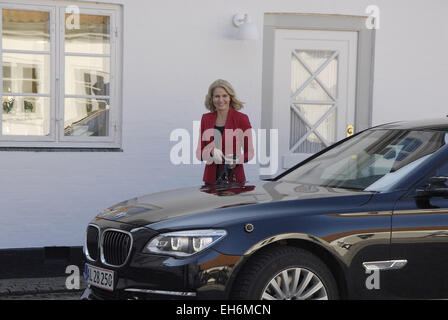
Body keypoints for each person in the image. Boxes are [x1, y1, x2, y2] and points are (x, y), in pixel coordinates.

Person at [196, 79, 254, 185]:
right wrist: (211, 152)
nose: (221, 100)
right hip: (211, 180)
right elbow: (199, 154)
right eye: (217, 96)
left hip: (234, 179)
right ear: (212, 99)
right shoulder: (206, 119)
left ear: (230, 97)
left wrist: (237, 160)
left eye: (224, 96)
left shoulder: (242, 119)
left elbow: (250, 153)